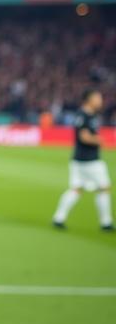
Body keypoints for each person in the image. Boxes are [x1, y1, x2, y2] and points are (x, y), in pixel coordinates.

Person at [52, 87, 113, 231]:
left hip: (78, 159)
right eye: (98, 98)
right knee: (104, 188)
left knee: (76, 189)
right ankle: (106, 222)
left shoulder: (88, 115)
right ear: (89, 99)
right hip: (90, 160)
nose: (100, 101)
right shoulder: (84, 116)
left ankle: (58, 218)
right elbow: (84, 137)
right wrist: (99, 140)